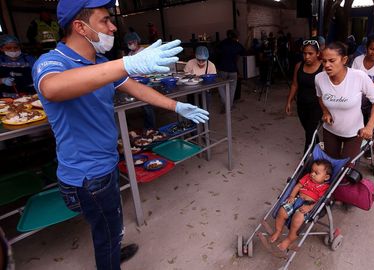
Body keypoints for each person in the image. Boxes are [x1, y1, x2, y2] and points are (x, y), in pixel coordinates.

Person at [32, 1, 209, 269]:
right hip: (87, 175)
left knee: (107, 224)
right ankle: (110, 257)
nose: (113, 26)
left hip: (107, 162)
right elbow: (52, 89)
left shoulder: (100, 62)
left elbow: (136, 89)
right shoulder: (52, 62)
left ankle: (111, 248)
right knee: (107, 229)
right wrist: (125, 63)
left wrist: (177, 106)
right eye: (104, 20)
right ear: (80, 26)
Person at [316, 42, 374, 160]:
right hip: (330, 130)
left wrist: (369, 127)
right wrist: (325, 112)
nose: (327, 65)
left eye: (332, 61)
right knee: (331, 165)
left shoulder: (359, 77)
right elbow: (320, 96)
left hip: (354, 132)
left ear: (344, 59)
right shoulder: (319, 78)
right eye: (324, 61)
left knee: (347, 168)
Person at [268, 159, 332, 253]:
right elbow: (298, 186)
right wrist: (291, 196)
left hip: (307, 206)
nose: (312, 174)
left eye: (316, 173)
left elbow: (320, 200)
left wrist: (310, 207)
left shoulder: (325, 188)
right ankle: (278, 231)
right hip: (297, 199)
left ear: (326, 177)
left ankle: (289, 240)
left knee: (297, 221)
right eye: (311, 171)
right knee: (282, 211)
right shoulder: (307, 177)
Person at [285, 39, 323, 153]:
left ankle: (306, 160)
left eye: (310, 53)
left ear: (318, 53)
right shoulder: (298, 66)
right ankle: (318, 149)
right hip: (301, 105)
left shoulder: (324, 68)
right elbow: (295, 84)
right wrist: (289, 101)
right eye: (305, 53)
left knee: (310, 132)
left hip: (317, 106)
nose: (307, 57)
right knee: (309, 130)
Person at [216, 29, 245, 112]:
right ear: (236, 36)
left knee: (221, 87)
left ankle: (226, 105)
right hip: (233, 70)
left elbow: (216, 53)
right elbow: (244, 52)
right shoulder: (237, 44)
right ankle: (229, 106)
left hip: (222, 69)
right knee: (232, 89)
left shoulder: (222, 43)